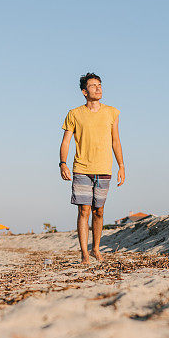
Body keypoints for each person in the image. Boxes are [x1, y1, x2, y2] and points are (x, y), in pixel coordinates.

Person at [59, 72, 125, 264]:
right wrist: (62, 163)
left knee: (99, 211)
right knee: (84, 211)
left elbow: (116, 141)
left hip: (104, 167)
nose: (98, 88)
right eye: (93, 85)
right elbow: (66, 142)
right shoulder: (74, 114)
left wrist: (121, 165)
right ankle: (84, 254)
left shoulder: (112, 112)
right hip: (81, 167)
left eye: (100, 85)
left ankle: (96, 248)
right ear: (84, 92)